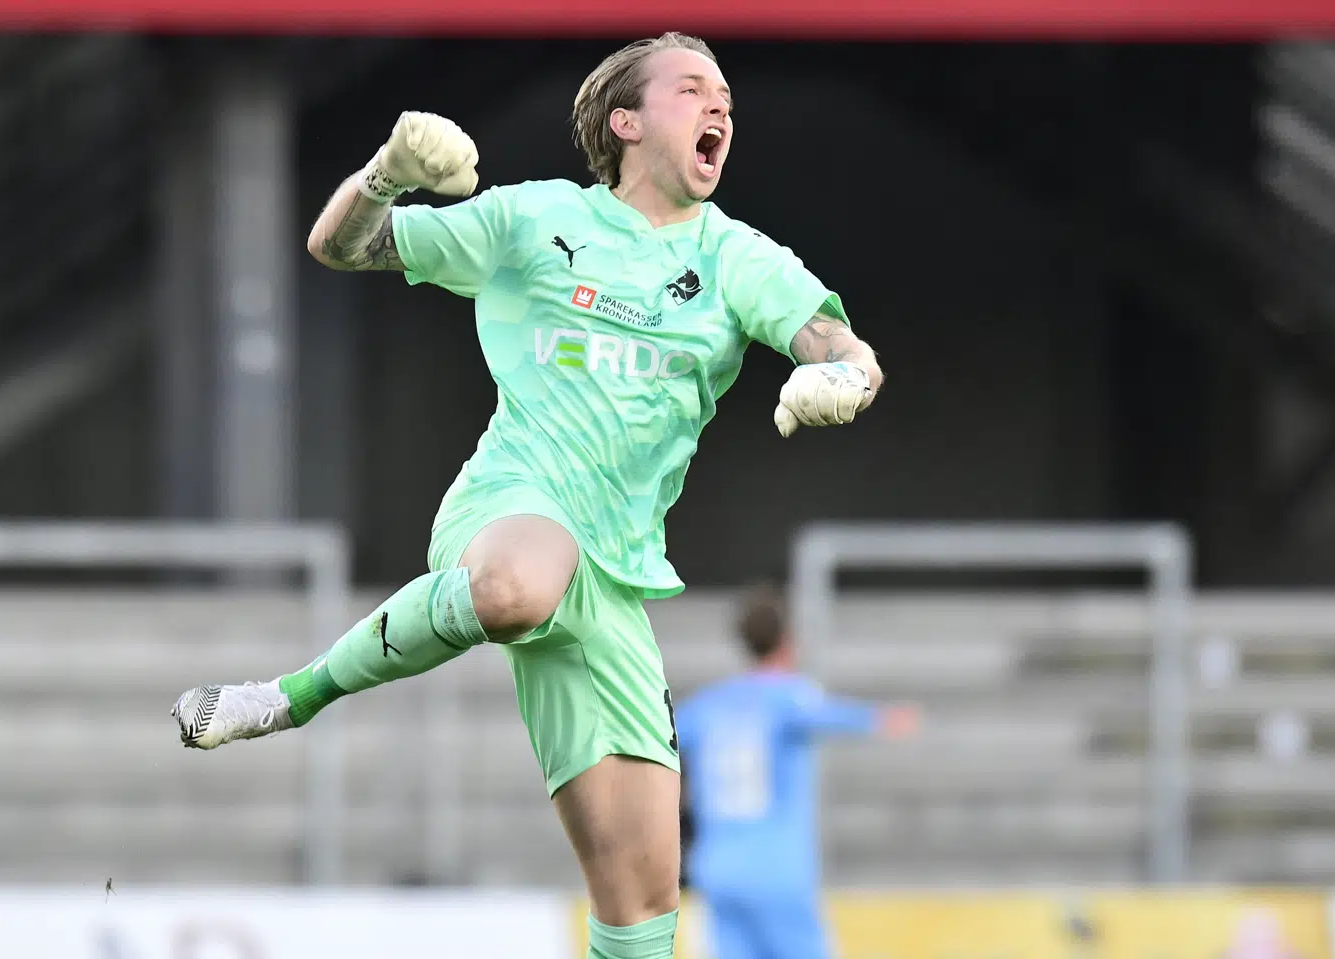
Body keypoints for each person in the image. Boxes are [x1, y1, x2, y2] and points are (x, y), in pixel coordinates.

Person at [171, 33, 885, 959]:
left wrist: (846, 378)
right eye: (692, 90)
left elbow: (834, 339)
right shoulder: (537, 219)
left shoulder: (738, 258)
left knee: (643, 907)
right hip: (513, 499)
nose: (721, 108)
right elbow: (339, 243)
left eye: (728, 100)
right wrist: (388, 172)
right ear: (626, 121)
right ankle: (286, 696)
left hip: (618, 576)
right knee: (518, 585)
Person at [675, 583, 919, 959]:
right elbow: (832, 715)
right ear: (789, 640)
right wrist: (884, 719)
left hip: (717, 867)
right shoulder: (790, 696)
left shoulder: (708, 704)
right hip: (776, 870)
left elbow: (665, 743)